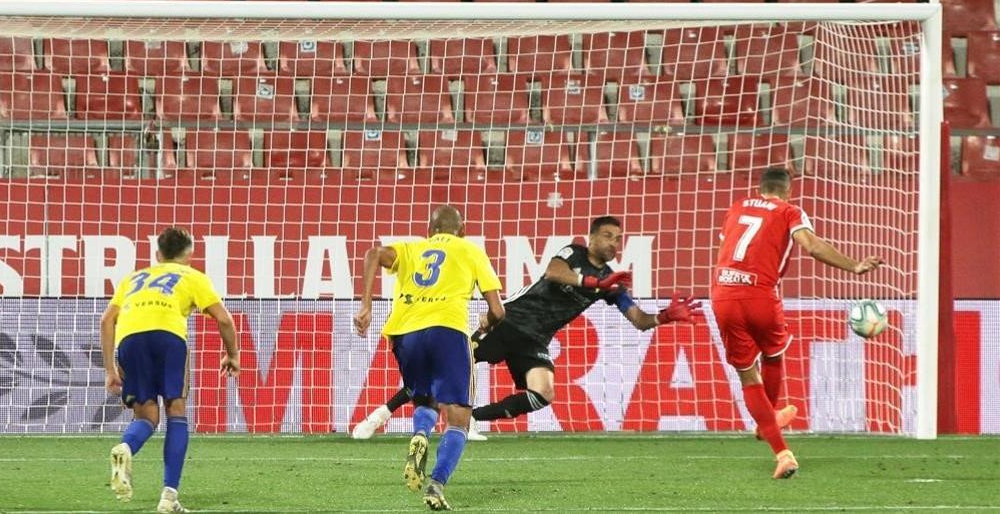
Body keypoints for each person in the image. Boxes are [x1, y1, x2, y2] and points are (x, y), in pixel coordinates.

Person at [353, 216, 701, 439]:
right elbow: (554, 273)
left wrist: (665, 317)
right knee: (440, 374)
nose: (613, 242)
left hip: (535, 338)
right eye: (607, 236)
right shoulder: (574, 253)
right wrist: (596, 281)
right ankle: (379, 415)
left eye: (618, 238)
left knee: (543, 393)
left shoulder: (611, 285)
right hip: (509, 321)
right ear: (592, 237)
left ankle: (473, 418)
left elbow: (638, 320)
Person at [712, 166, 883, 479]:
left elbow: (727, 248)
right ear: (788, 190)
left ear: (760, 187)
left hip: (722, 293)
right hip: (760, 295)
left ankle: (779, 445)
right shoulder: (790, 211)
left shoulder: (736, 208)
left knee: (748, 377)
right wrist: (855, 266)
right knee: (773, 355)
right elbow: (813, 246)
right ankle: (770, 424)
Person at [354, 205, 505, 512]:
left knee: (425, 399)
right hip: (448, 329)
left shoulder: (412, 248)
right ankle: (436, 485)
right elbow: (499, 310)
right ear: (461, 231)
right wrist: (489, 322)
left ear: (429, 230)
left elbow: (373, 254)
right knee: (459, 419)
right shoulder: (471, 251)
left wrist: (366, 306)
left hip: (405, 333)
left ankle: (421, 434)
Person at [100, 226, 240, 513]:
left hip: (130, 340)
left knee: (147, 415)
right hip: (168, 338)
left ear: (157, 254)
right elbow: (224, 320)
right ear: (188, 254)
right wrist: (232, 355)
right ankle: (168, 496)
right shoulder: (192, 276)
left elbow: (106, 321)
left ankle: (125, 448)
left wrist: (110, 370)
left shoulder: (133, 278)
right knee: (175, 410)